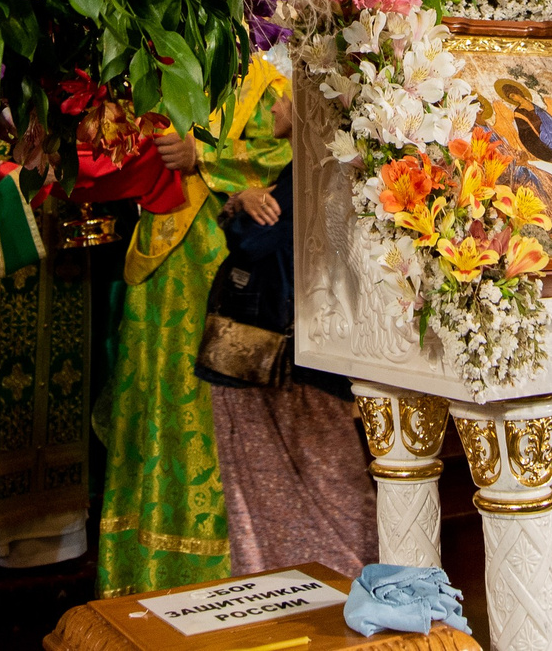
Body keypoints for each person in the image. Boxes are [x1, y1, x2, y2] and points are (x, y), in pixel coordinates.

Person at [94, 57, 291, 594]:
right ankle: (142, 570)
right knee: (153, 399)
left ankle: (227, 574)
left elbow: (286, 152)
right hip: (159, 263)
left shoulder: (258, 80)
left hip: (220, 262)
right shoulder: (149, 68)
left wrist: (203, 157)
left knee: (213, 412)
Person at [196, 86, 376, 579]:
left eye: (282, 100)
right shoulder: (316, 169)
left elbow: (254, 241)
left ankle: (339, 585)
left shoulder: (309, 174)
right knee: (299, 483)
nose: (274, 108)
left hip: (281, 361)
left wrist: (236, 205)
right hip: (300, 356)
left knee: (310, 484)